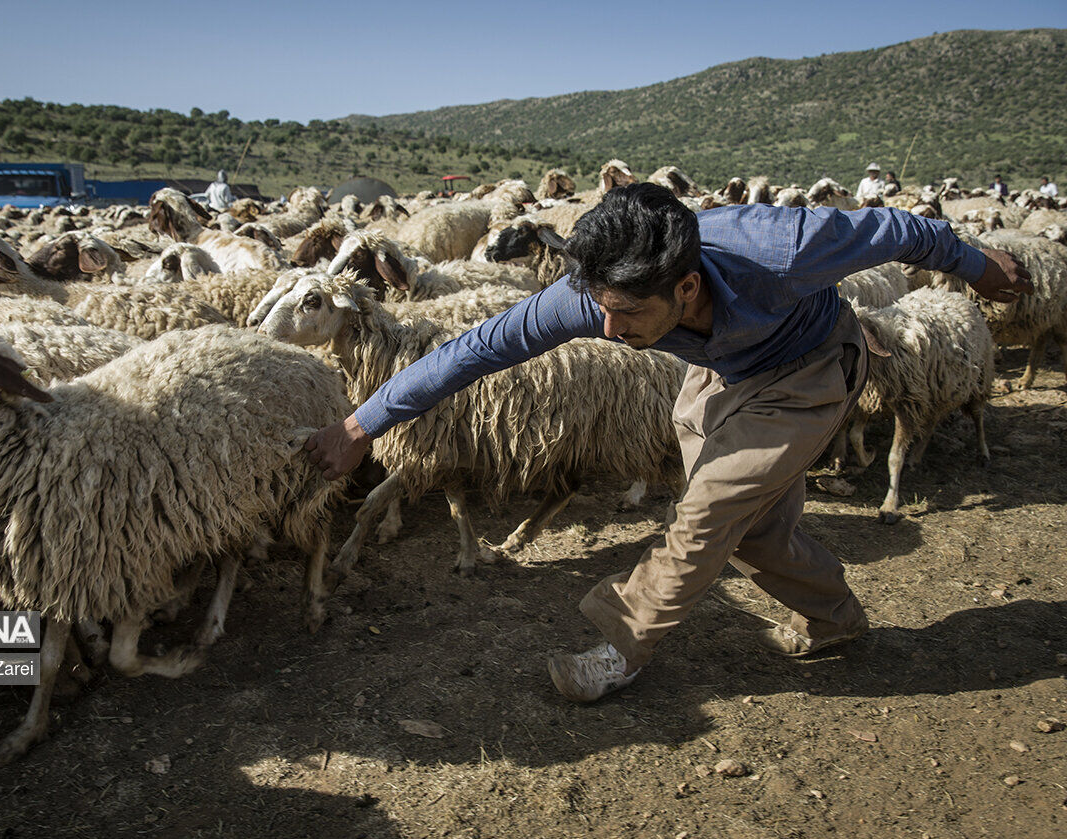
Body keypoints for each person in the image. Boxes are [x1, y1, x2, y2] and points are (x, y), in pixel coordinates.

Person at [304, 184, 1032, 703]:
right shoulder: (591, 298)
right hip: (720, 372)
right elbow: (474, 351)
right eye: (600, 310)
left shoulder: (781, 248)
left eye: (626, 314)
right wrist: (359, 425)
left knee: (709, 510)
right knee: (750, 531)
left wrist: (977, 264)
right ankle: (835, 617)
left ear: (686, 287)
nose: (609, 333)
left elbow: (903, 229)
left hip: (811, 367)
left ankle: (620, 649)